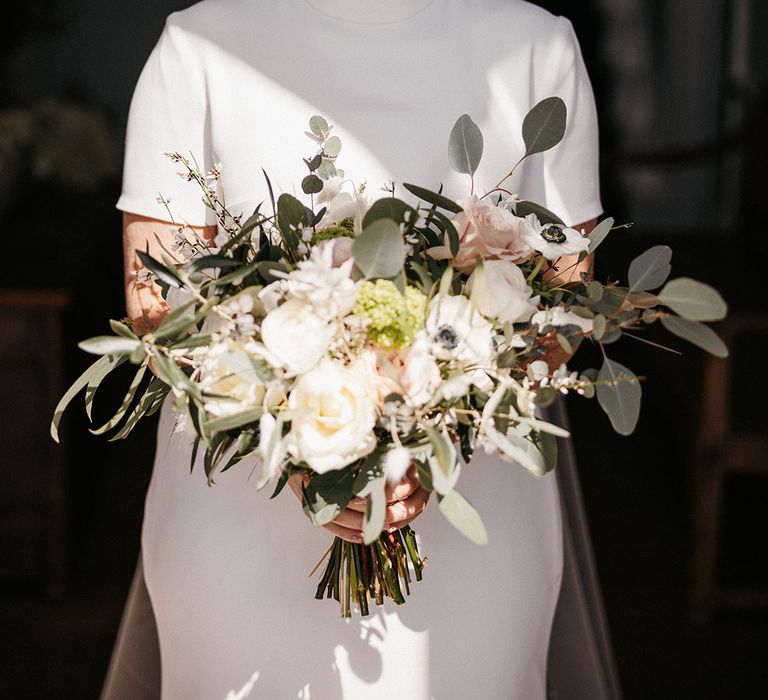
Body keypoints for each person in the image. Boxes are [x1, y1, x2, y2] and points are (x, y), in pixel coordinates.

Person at [104, 1, 621, 698]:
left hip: (475, 516)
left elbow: (565, 300)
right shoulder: (198, 44)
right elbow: (156, 303)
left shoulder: (534, 43)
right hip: (239, 514)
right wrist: (297, 441)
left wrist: (438, 424)